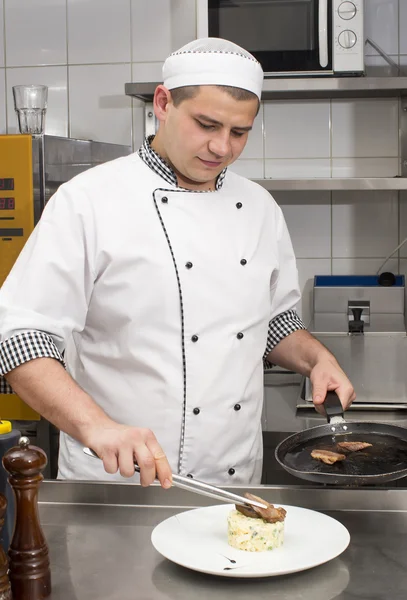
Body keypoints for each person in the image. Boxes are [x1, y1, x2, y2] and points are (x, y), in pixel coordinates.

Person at [0, 38, 355, 488]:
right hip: (121, 483)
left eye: (239, 132)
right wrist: (96, 427)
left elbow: (275, 321)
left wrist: (315, 359)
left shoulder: (260, 207)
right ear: (164, 104)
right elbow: (20, 337)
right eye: (206, 124)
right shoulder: (88, 200)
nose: (222, 147)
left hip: (234, 482)